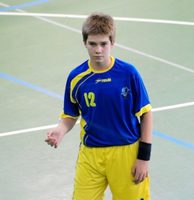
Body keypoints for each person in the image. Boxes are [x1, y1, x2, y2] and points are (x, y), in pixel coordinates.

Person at [45, 12, 153, 200]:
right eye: (93, 44)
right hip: (91, 155)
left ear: (112, 43)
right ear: (84, 43)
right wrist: (61, 129)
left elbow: (146, 114)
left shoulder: (128, 73)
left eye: (103, 44)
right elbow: (70, 115)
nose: (98, 50)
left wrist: (143, 157)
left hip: (126, 153)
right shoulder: (76, 78)